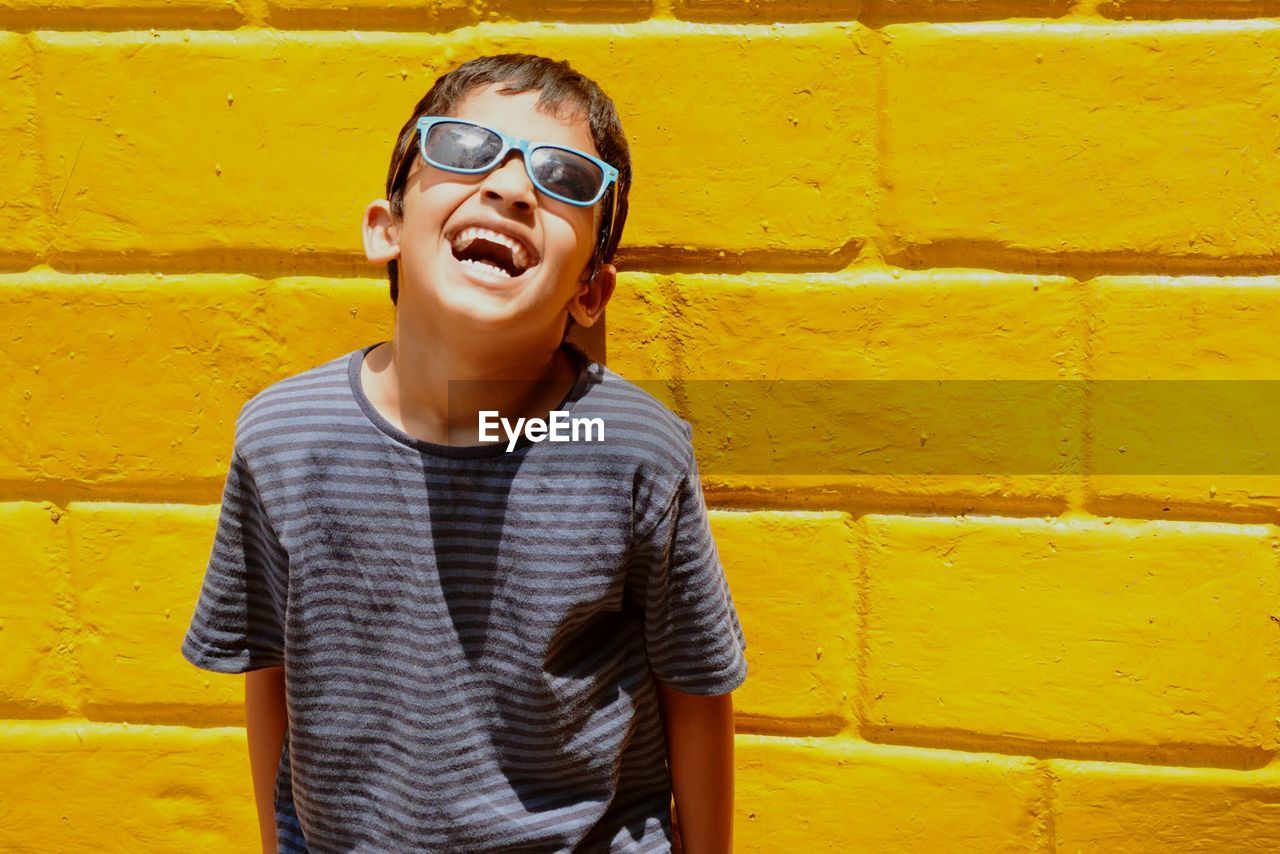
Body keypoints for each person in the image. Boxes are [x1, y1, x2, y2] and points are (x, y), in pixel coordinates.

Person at [180, 53, 748, 853]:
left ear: (589, 290)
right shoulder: (283, 439)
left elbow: (694, 690)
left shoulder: (630, 451)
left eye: (564, 179)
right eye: (464, 150)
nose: (512, 189)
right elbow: (270, 670)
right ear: (387, 228)